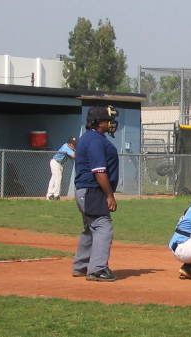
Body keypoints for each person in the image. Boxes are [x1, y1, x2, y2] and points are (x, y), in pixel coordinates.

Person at [72, 105, 119, 282]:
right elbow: (99, 171)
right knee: (102, 227)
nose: (111, 123)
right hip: (93, 190)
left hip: (86, 191)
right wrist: (109, 195)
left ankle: (81, 266)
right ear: (99, 123)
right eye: (108, 120)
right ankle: (97, 269)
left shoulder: (89, 138)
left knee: (90, 229)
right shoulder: (95, 140)